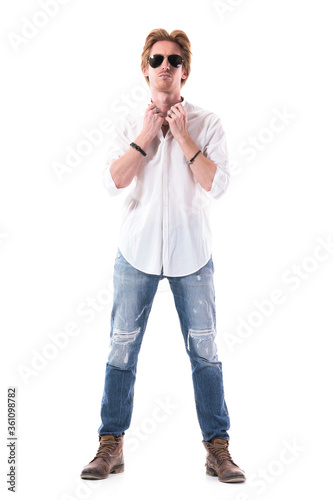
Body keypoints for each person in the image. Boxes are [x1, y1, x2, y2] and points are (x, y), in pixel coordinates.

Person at [80, 28, 245, 484]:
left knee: (205, 352)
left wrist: (183, 136)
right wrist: (146, 136)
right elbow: (110, 182)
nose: (165, 66)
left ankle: (218, 448)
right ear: (146, 67)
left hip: (193, 255)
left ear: (185, 71)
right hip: (136, 253)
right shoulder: (126, 119)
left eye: (174, 60)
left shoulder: (208, 122)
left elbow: (218, 184)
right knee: (122, 347)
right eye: (157, 59)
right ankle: (110, 443)